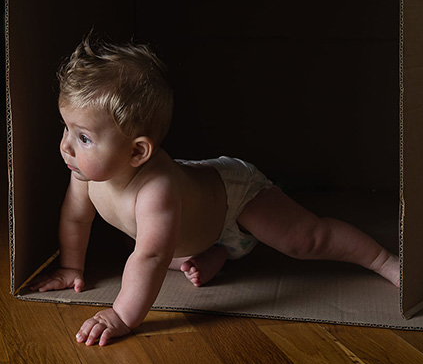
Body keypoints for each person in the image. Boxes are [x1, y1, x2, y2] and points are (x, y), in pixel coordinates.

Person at [28, 35, 401, 347]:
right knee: (147, 246)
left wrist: (121, 315)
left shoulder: (155, 191)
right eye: (66, 129)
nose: (66, 146)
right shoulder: (84, 171)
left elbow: (151, 259)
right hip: (193, 232)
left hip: (233, 198)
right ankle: (216, 253)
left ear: (137, 151)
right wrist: (70, 267)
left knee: (304, 240)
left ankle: (381, 260)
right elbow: (76, 217)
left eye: (84, 138)